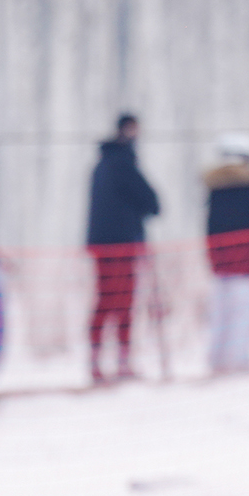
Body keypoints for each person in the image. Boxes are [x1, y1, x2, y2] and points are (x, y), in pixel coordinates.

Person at [85, 113, 161, 383]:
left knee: (107, 300)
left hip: (103, 245)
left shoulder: (103, 164)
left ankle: (100, 360)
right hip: (120, 246)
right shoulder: (122, 163)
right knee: (120, 301)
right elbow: (151, 200)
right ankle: (119, 361)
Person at [204, 132, 249, 374]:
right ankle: (238, 362)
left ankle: (217, 361)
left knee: (220, 316)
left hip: (220, 266)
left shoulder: (214, 190)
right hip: (247, 265)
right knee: (243, 316)